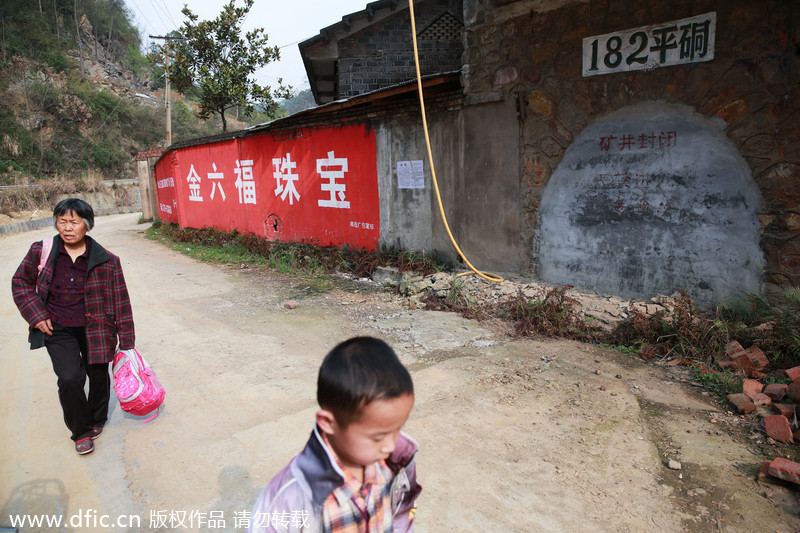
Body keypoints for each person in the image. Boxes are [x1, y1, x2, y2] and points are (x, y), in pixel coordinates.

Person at [248, 337, 421, 533]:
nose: (390, 445)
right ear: (328, 423)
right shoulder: (291, 497)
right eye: (377, 437)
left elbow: (403, 512)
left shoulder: (396, 464)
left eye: (397, 429)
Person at [12, 198, 135, 455]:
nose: (67, 228)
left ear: (87, 226)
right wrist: (36, 314)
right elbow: (21, 282)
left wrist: (128, 344)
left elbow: (121, 300)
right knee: (70, 378)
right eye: (62, 221)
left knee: (99, 377)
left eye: (74, 222)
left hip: (97, 328)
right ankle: (80, 432)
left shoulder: (107, 260)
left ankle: (97, 418)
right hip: (57, 328)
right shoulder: (42, 251)